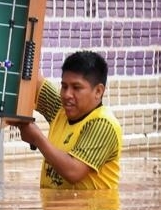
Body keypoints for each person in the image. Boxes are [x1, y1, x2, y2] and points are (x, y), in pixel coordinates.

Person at [12, 51, 122, 189]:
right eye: (64, 86)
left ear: (98, 91)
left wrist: (37, 139)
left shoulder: (103, 124)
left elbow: (73, 172)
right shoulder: (60, 109)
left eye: (76, 88)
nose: (67, 94)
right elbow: (33, 80)